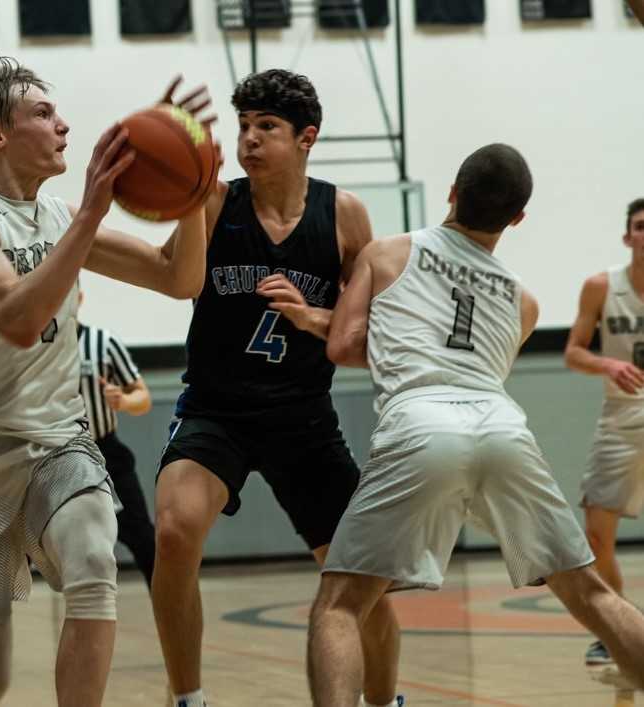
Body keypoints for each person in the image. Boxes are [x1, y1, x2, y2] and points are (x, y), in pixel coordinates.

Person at [0, 55, 216, 707]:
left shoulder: (61, 216)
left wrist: (194, 195)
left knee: (95, 561)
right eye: (43, 113)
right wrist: (92, 211)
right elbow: (17, 318)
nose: (64, 125)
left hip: (59, 443)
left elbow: (179, 278)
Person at [307, 144, 644, 707]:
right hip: (502, 426)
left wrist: (312, 317)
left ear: (452, 192)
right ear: (517, 218)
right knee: (591, 594)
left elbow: (344, 346)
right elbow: (474, 362)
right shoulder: (525, 302)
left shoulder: (386, 253)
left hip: (419, 421)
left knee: (340, 606)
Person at [152, 69, 401, 707]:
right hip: (216, 411)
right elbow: (172, 270)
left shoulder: (344, 215)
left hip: (303, 417)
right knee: (174, 532)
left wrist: (313, 316)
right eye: (243, 126)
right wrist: (168, 153)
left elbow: (371, 333)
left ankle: (384, 701)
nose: (250, 139)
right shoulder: (215, 202)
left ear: (306, 137)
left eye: (267, 126)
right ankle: (188, 699)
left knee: (361, 576)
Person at [564, 197, 644, 666]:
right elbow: (573, 352)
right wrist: (607, 364)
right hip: (621, 416)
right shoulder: (601, 286)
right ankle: (618, 634)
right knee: (596, 537)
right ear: (627, 236)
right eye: (641, 225)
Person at [77, 289, 156, 588]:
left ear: (78, 298)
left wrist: (123, 400)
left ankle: (169, 608)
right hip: (51, 456)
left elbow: (142, 397)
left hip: (105, 454)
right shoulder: (32, 347)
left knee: (143, 540)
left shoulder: (103, 342)